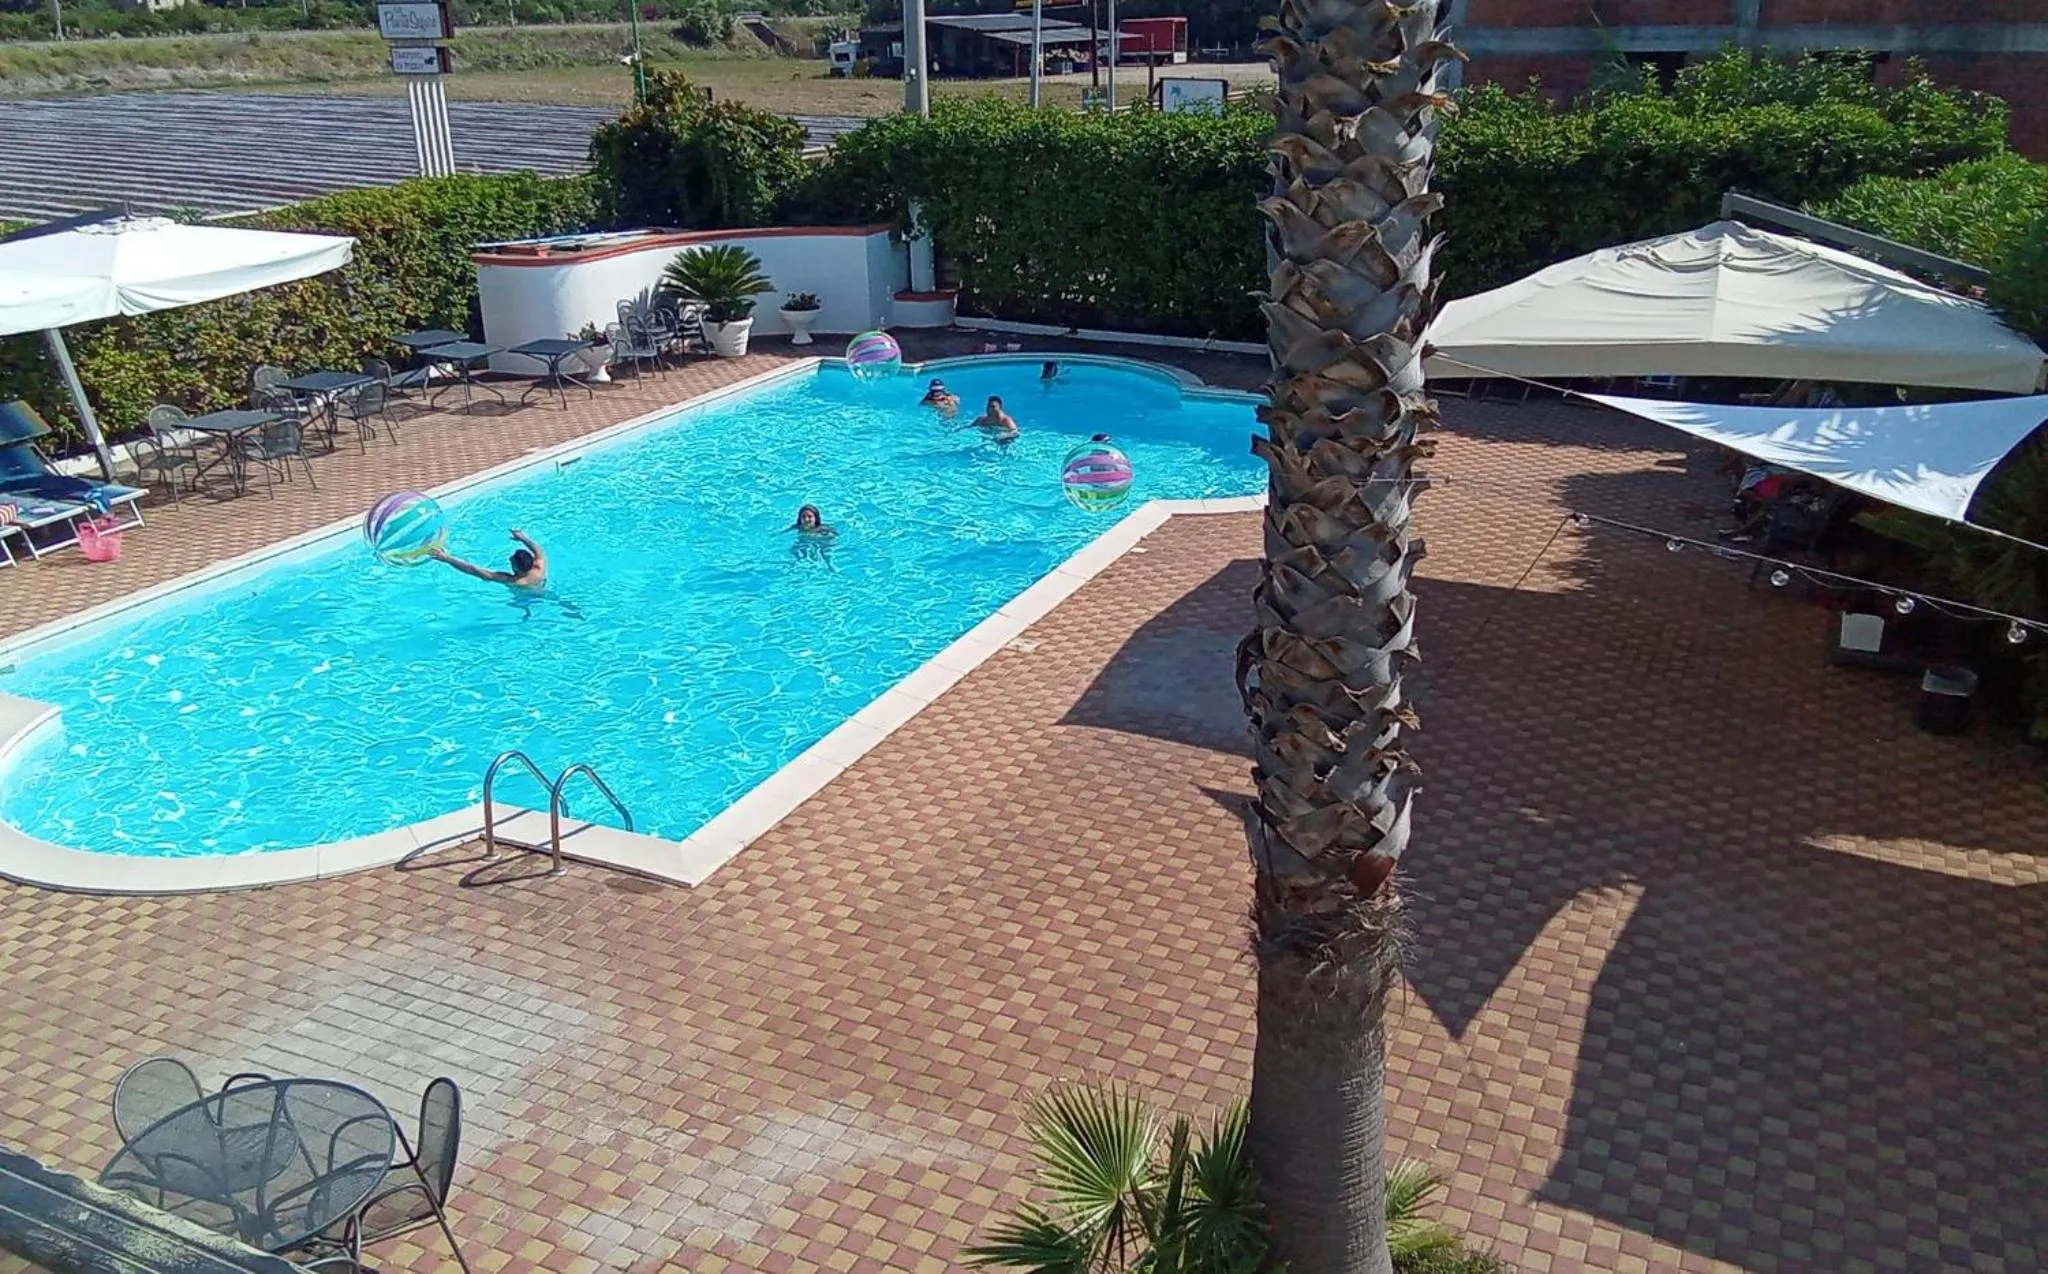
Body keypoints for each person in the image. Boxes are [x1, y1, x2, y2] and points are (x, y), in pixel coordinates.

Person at [429, 528, 547, 595]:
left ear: (516, 567)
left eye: (512, 561)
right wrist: (523, 538)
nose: (509, 559)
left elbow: (474, 570)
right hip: (541, 591)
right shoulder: (538, 570)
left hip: (523, 599)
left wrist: (447, 558)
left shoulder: (513, 581)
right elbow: (538, 551)